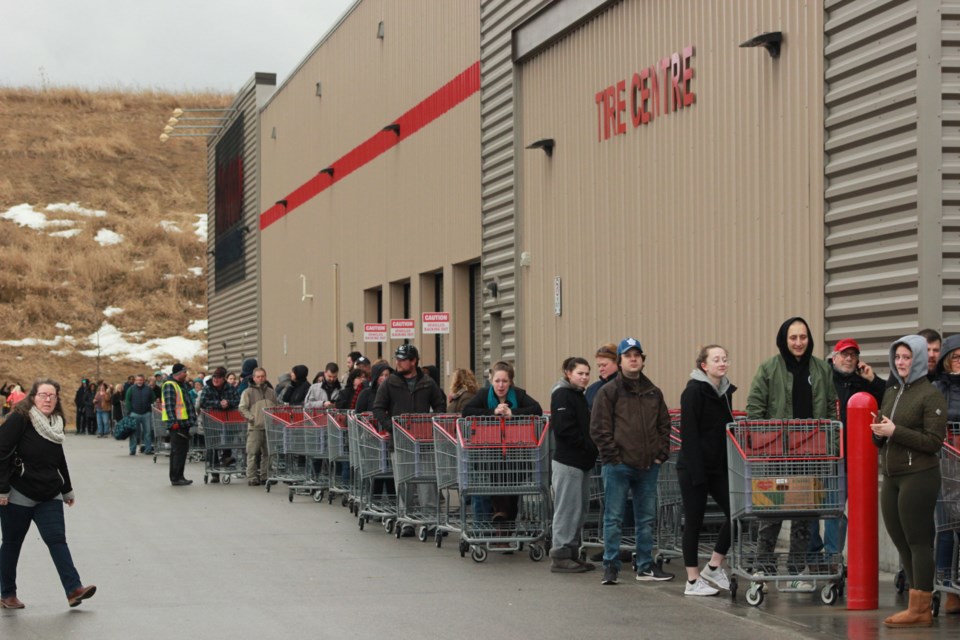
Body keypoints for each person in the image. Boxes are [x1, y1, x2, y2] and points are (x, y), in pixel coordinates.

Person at [745, 316, 838, 591]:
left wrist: (829, 448)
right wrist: (765, 446)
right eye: (793, 337)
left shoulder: (821, 369)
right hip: (777, 455)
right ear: (784, 340)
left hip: (811, 454)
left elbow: (832, 412)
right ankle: (764, 567)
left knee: (804, 515)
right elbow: (754, 409)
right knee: (771, 512)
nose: (799, 342)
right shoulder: (769, 369)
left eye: (803, 337)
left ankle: (796, 572)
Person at [0, 379, 97, 608]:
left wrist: (67, 489)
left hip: (49, 492)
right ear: (33, 397)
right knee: (12, 543)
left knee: (57, 539)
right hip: (18, 493)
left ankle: (74, 589)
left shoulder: (55, 423)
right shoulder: (20, 419)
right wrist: (2, 488)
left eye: (52, 395)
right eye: (43, 395)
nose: (47, 399)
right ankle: (7, 593)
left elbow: (58, 458)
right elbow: (1, 452)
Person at [871, 335, 946, 627]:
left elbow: (933, 442)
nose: (901, 363)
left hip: (919, 476)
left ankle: (921, 607)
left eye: (906, 357)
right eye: (898, 357)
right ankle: (915, 603)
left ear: (917, 360)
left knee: (918, 542)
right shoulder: (892, 391)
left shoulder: (930, 395)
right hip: (891, 476)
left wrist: (895, 431)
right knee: (901, 540)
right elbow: (883, 434)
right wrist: (877, 433)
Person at [590, 337, 673, 585]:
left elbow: (664, 425)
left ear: (643, 361)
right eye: (628, 355)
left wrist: (661, 454)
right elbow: (599, 428)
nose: (633, 359)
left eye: (637, 355)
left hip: (648, 466)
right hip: (618, 466)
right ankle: (611, 566)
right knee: (613, 518)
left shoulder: (653, 392)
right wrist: (613, 458)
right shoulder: (609, 391)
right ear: (620, 361)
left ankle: (645, 565)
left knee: (646, 519)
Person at [809, 338, 885, 559]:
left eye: (853, 355)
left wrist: (873, 379)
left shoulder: (863, 384)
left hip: (855, 457)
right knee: (814, 509)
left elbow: (889, 399)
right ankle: (814, 555)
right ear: (834, 358)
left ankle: (833, 558)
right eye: (844, 354)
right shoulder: (823, 379)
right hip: (825, 455)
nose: (849, 359)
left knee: (837, 511)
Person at [677, 345, 736, 596]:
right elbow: (689, 435)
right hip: (694, 468)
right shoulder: (693, 392)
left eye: (724, 359)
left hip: (718, 467)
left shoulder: (724, 392)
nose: (722, 363)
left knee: (737, 514)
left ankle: (713, 565)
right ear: (704, 365)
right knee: (694, 521)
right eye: (716, 360)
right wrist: (697, 473)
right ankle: (692, 581)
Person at [373, 344, 447, 535]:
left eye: (402, 359)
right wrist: (393, 427)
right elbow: (378, 409)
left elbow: (440, 406)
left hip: (424, 441)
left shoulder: (428, 383)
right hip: (400, 441)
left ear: (413, 361)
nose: (397, 362)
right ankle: (406, 521)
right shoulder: (389, 383)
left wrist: (431, 426)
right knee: (404, 482)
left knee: (427, 483)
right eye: (397, 358)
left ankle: (430, 521)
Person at [462, 360, 542, 526]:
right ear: (491, 380)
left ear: (510, 382)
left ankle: (504, 521)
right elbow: (467, 411)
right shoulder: (484, 395)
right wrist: (493, 412)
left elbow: (537, 410)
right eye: (497, 381)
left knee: (512, 487)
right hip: (488, 454)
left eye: (505, 381)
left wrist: (513, 413)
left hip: (516, 454)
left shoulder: (518, 394)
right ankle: (502, 521)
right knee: (498, 478)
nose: (500, 385)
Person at [548, 357, 598, 573]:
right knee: (567, 509)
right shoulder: (562, 394)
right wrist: (588, 446)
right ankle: (560, 555)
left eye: (587, 373)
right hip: (568, 462)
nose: (585, 377)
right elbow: (563, 429)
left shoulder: (578, 395)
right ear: (568, 373)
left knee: (579, 509)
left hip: (581, 462)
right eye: (580, 373)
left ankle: (572, 552)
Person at [934, 333, 960, 614]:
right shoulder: (938, 388)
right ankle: (945, 580)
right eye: (956, 358)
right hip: (949, 460)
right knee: (948, 522)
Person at [198, 366, 241, 482]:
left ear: (224, 379)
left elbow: (238, 400)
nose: (215, 380)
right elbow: (203, 402)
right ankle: (214, 472)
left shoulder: (230, 388)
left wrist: (228, 403)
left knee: (227, 441)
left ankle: (226, 460)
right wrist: (218, 404)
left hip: (227, 420)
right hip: (212, 420)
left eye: (218, 378)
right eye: (214, 377)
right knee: (213, 445)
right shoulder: (207, 388)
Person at [238, 367, 277, 486]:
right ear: (254, 378)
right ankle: (252, 477)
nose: (261, 379)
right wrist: (251, 418)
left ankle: (265, 476)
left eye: (263, 376)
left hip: (269, 427)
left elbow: (276, 406)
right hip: (255, 427)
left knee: (268, 453)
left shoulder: (271, 392)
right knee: (252, 453)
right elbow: (242, 407)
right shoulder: (248, 392)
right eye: (258, 376)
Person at [161, 363, 198, 486]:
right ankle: (176, 477)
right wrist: (173, 422)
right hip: (178, 424)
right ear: (178, 373)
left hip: (184, 423)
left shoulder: (180, 385)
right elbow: (170, 406)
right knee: (178, 451)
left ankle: (179, 475)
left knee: (182, 451)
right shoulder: (170, 385)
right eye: (184, 372)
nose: (186, 374)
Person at [125, 374, 155, 456]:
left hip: (146, 414)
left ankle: (148, 449)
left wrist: (150, 409)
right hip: (134, 414)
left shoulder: (149, 389)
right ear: (135, 381)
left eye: (141, 380)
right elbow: (127, 400)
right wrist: (130, 411)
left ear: (144, 380)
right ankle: (132, 450)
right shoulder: (131, 389)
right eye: (138, 380)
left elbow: (153, 399)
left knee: (148, 432)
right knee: (133, 433)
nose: (139, 381)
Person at [585, 343, 618, 410]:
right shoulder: (592, 389)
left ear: (617, 362)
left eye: (604, 365)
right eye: (599, 366)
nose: (600, 369)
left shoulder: (628, 386)